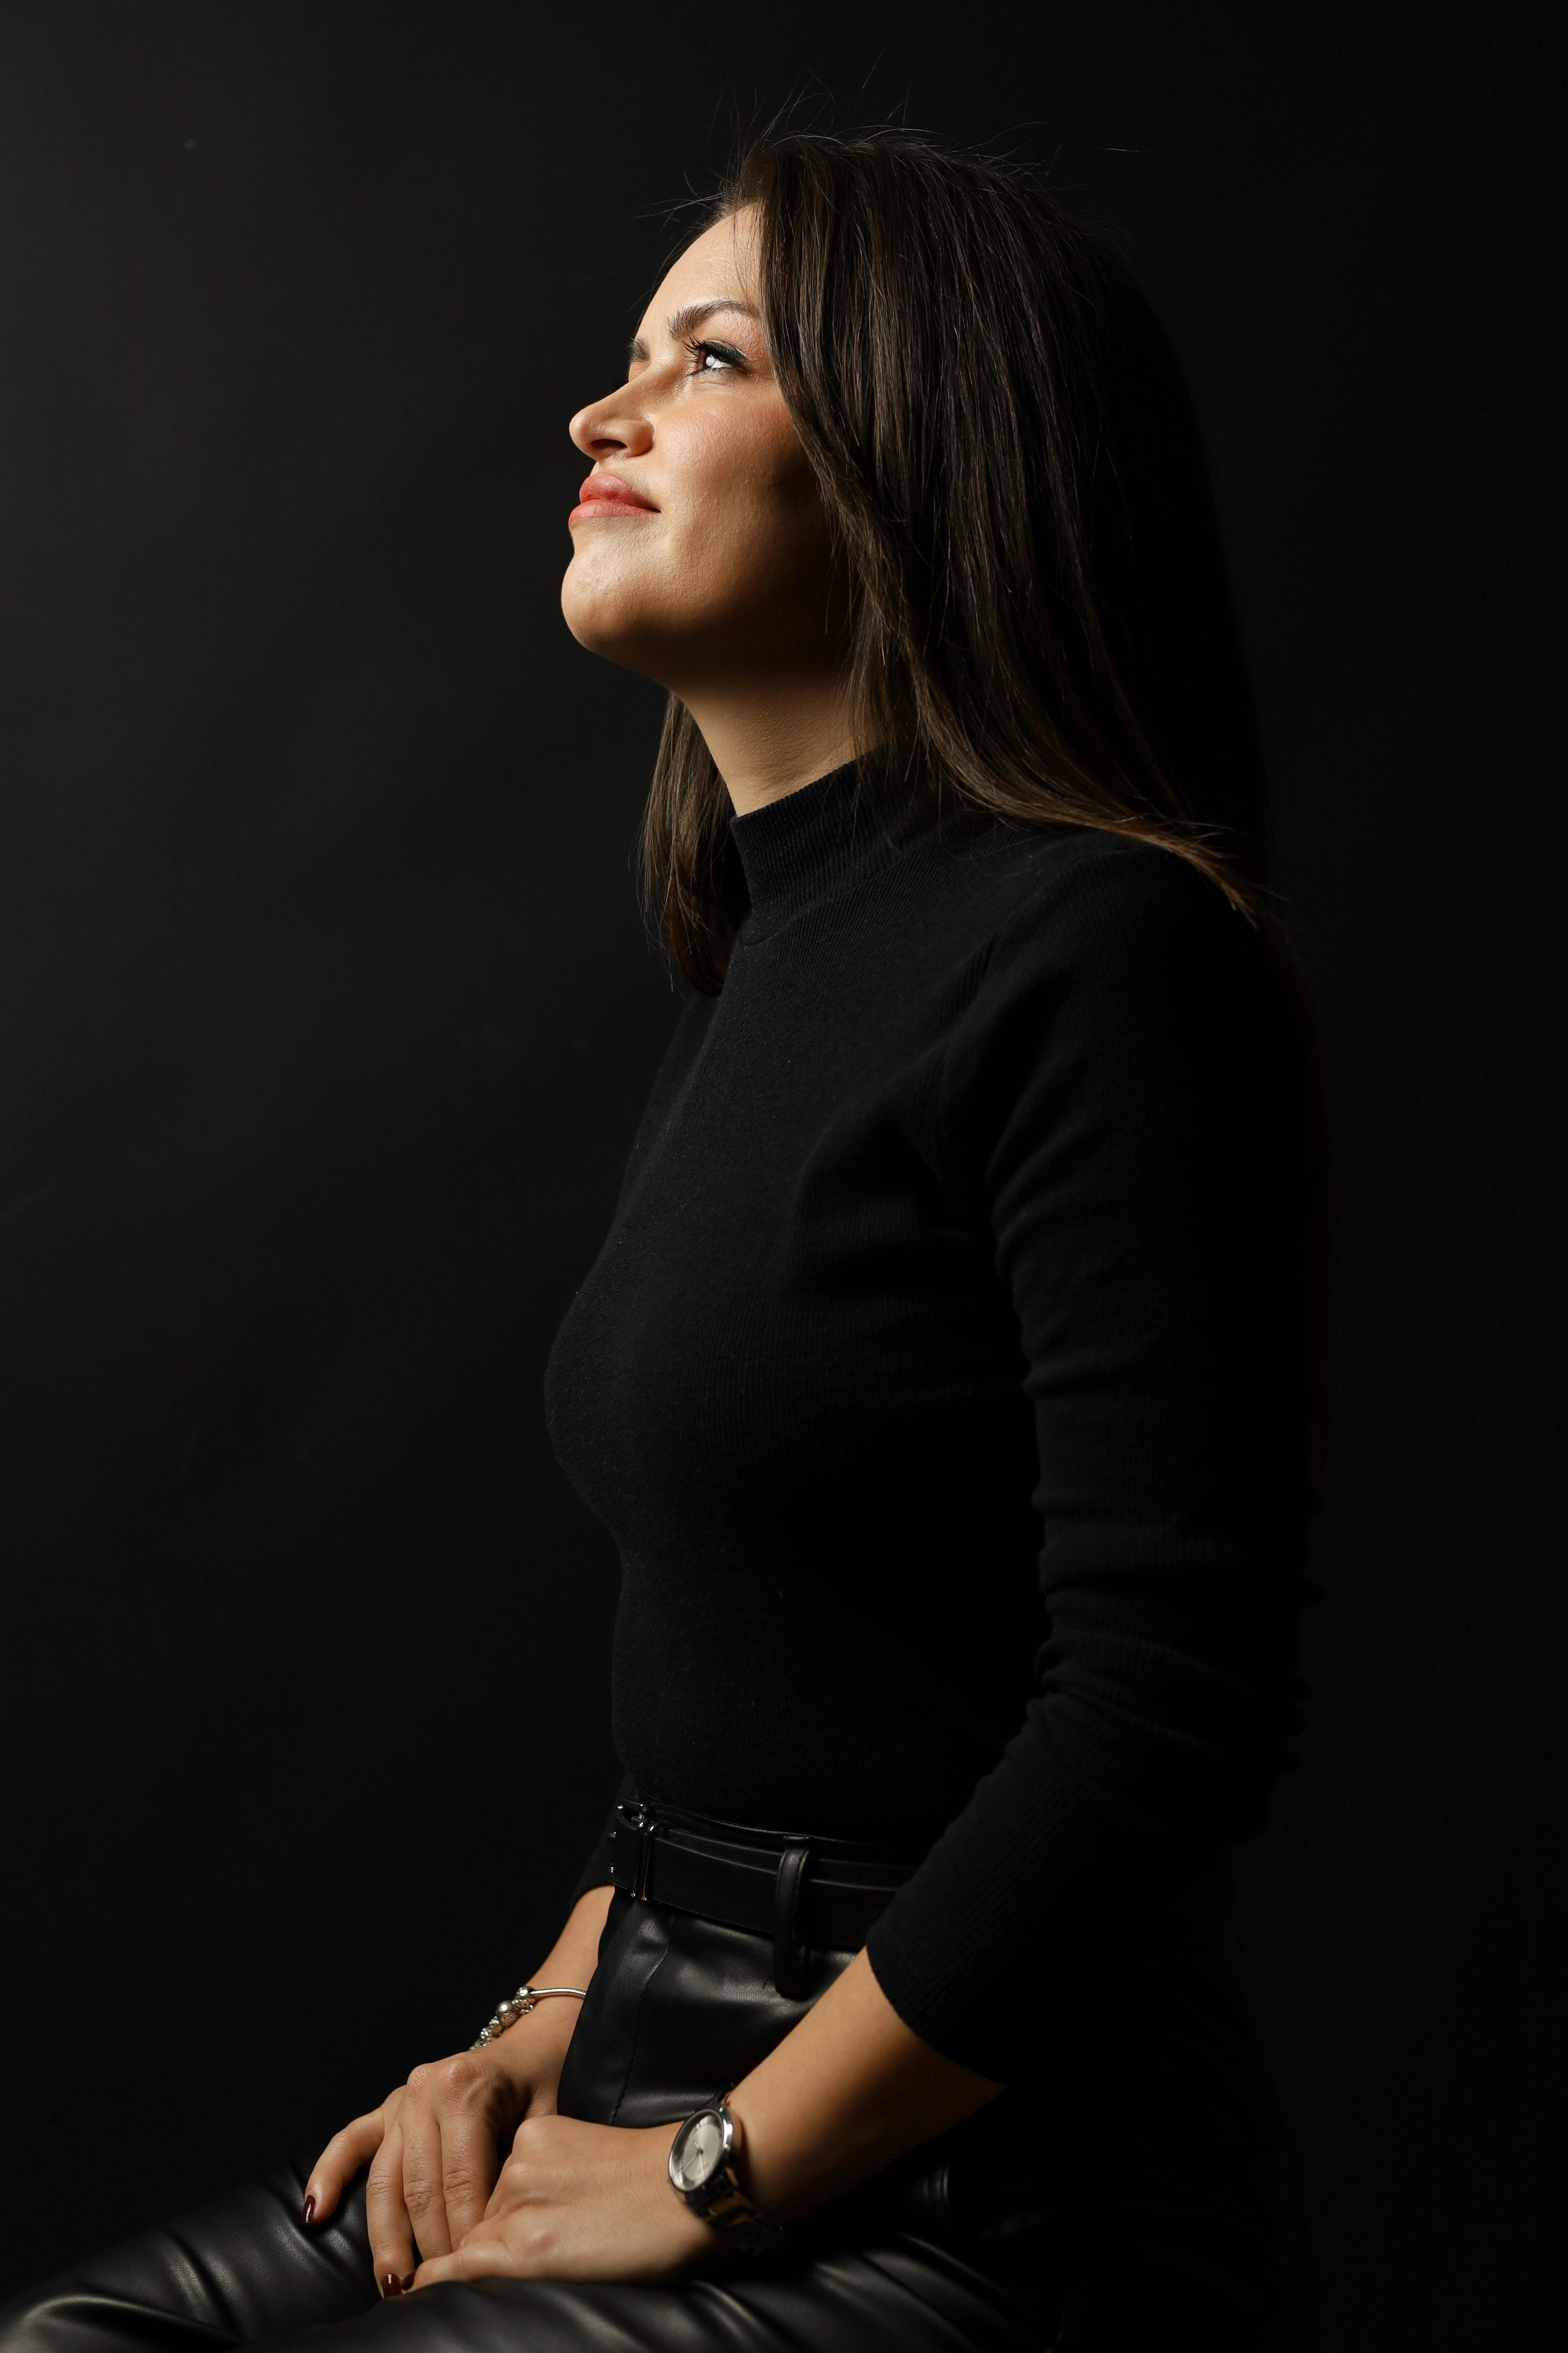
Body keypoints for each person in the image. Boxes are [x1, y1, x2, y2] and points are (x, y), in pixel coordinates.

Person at [1, 130, 1324, 2352]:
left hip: (986, 2176)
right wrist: (535, 2026)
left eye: (703, 360)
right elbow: (772, 1682)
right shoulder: (767, 967)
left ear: (923, 452)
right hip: (645, 2037)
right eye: (627, 356)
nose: (599, 415)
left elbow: (1165, 1722)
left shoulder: (1101, 951)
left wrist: (715, 2170)